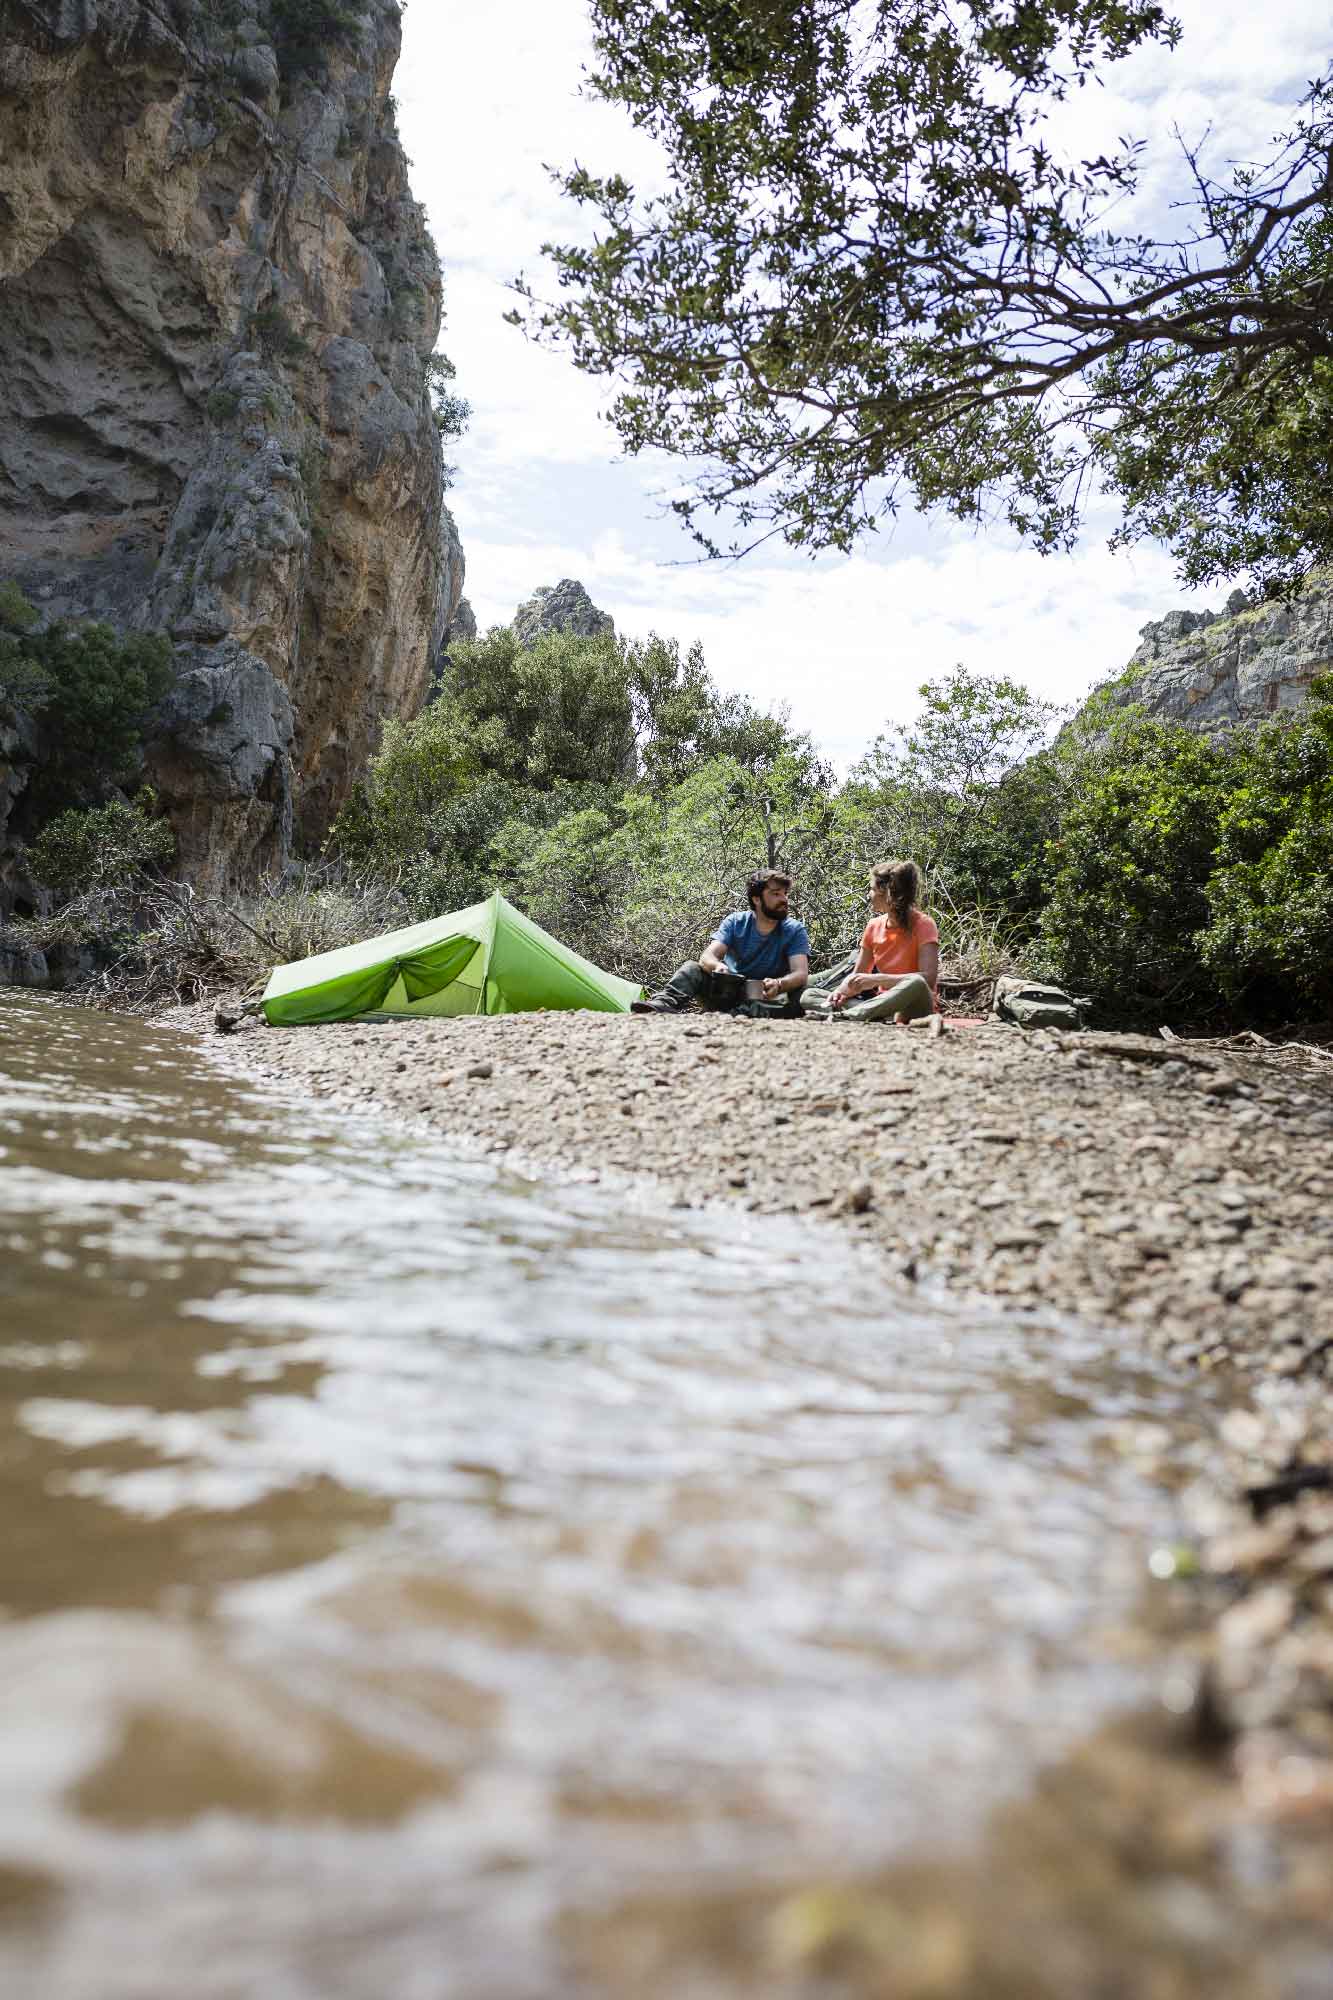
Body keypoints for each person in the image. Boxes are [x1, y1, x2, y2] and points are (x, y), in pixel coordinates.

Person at [631, 868, 811, 1015]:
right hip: (727, 991)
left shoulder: (794, 929)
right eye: (776, 894)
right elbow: (707, 956)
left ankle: (737, 1014)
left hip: (766, 996)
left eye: (785, 893)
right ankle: (663, 1004)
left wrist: (779, 984)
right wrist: (717, 967)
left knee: (797, 995)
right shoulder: (736, 922)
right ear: (756, 899)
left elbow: (800, 973)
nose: (784, 899)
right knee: (691, 968)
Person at [802, 859, 938, 1022]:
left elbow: (928, 979)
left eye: (872, 889)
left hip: (913, 1008)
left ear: (887, 893)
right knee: (809, 996)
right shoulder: (873, 926)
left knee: (916, 981)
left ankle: (852, 1015)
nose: (869, 894)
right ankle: (866, 1014)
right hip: (882, 1007)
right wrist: (841, 991)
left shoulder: (924, 924)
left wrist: (877, 979)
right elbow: (858, 975)